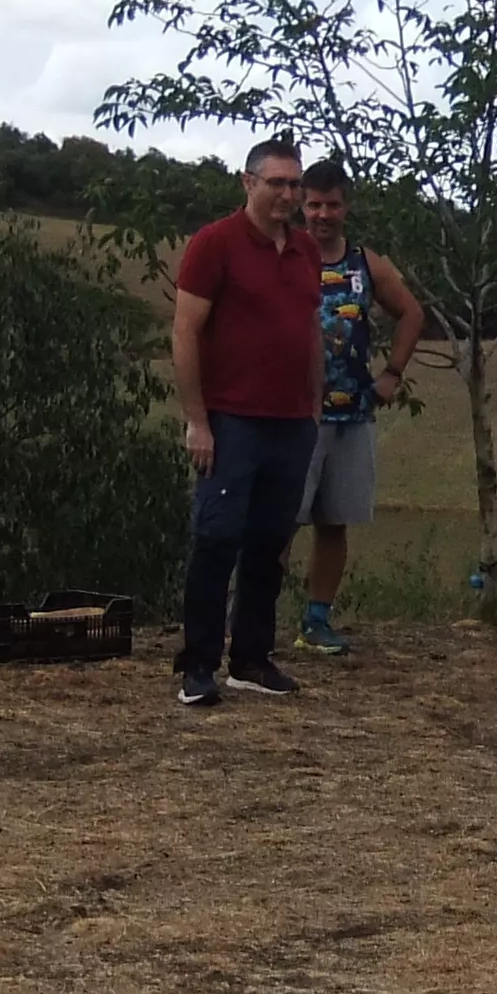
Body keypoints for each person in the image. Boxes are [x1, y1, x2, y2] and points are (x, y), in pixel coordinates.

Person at [169, 135, 325, 707]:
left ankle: (252, 659)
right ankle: (199, 664)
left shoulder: (305, 251)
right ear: (248, 183)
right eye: (276, 182)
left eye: (294, 184)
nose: (287, 194)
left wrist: (314, 401)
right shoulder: (216, 244)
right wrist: (197, 420)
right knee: (217, 538)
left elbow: (309, 329)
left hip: (291, 421)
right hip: (231, 419)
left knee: (269, 543)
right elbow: (185, 332)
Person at [290, 163, 429, 656]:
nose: (322, 214)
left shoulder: (366, 264)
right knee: (278, 521)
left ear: (346, 206)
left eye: (331, 204)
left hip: (352, 413)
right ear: (300, 205)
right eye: (313, 204)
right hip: (290, 415)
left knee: (334, 521)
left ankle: (316, 621)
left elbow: (412, 313)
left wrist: (392, 372)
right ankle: (250, 622)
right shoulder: (284, 256)